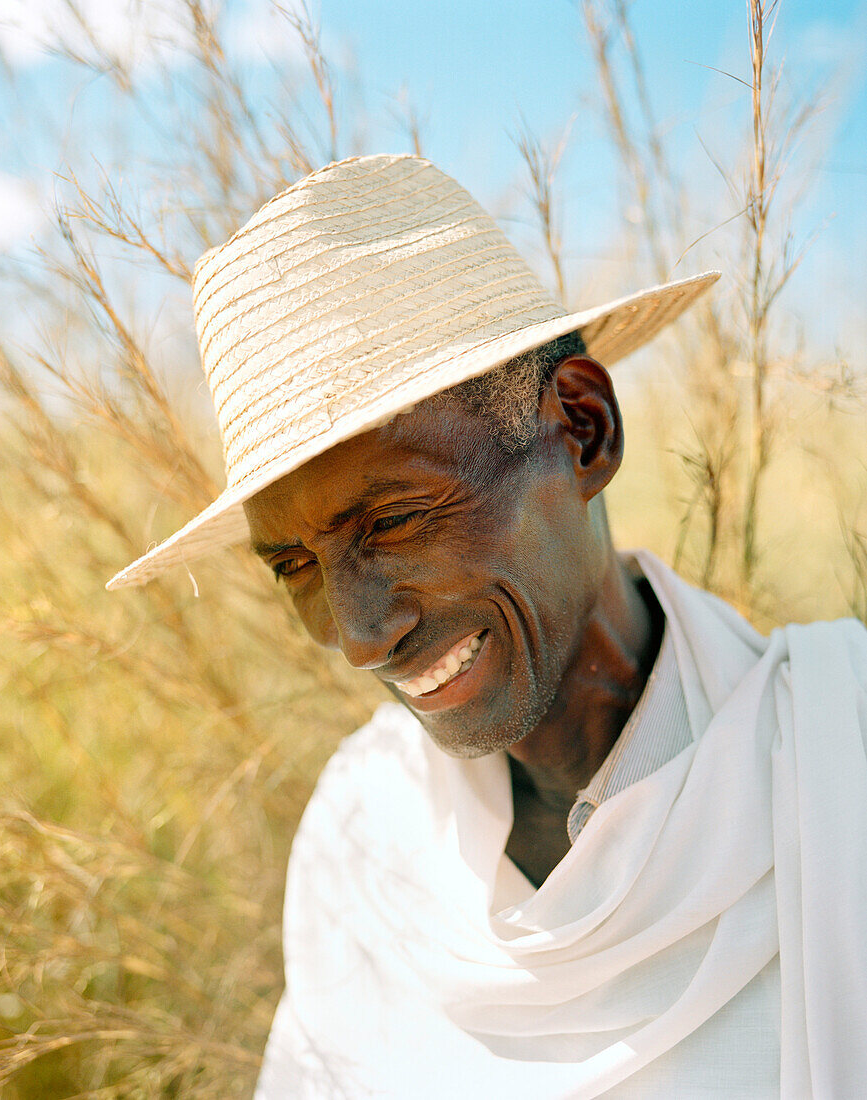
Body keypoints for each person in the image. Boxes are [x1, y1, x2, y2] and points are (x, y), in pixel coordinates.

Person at [108, 155, 867, 1098]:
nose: (356, 635)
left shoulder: (837, 769)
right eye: (293, 564)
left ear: (582, 431)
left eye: (392, 520)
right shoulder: (363, 835)